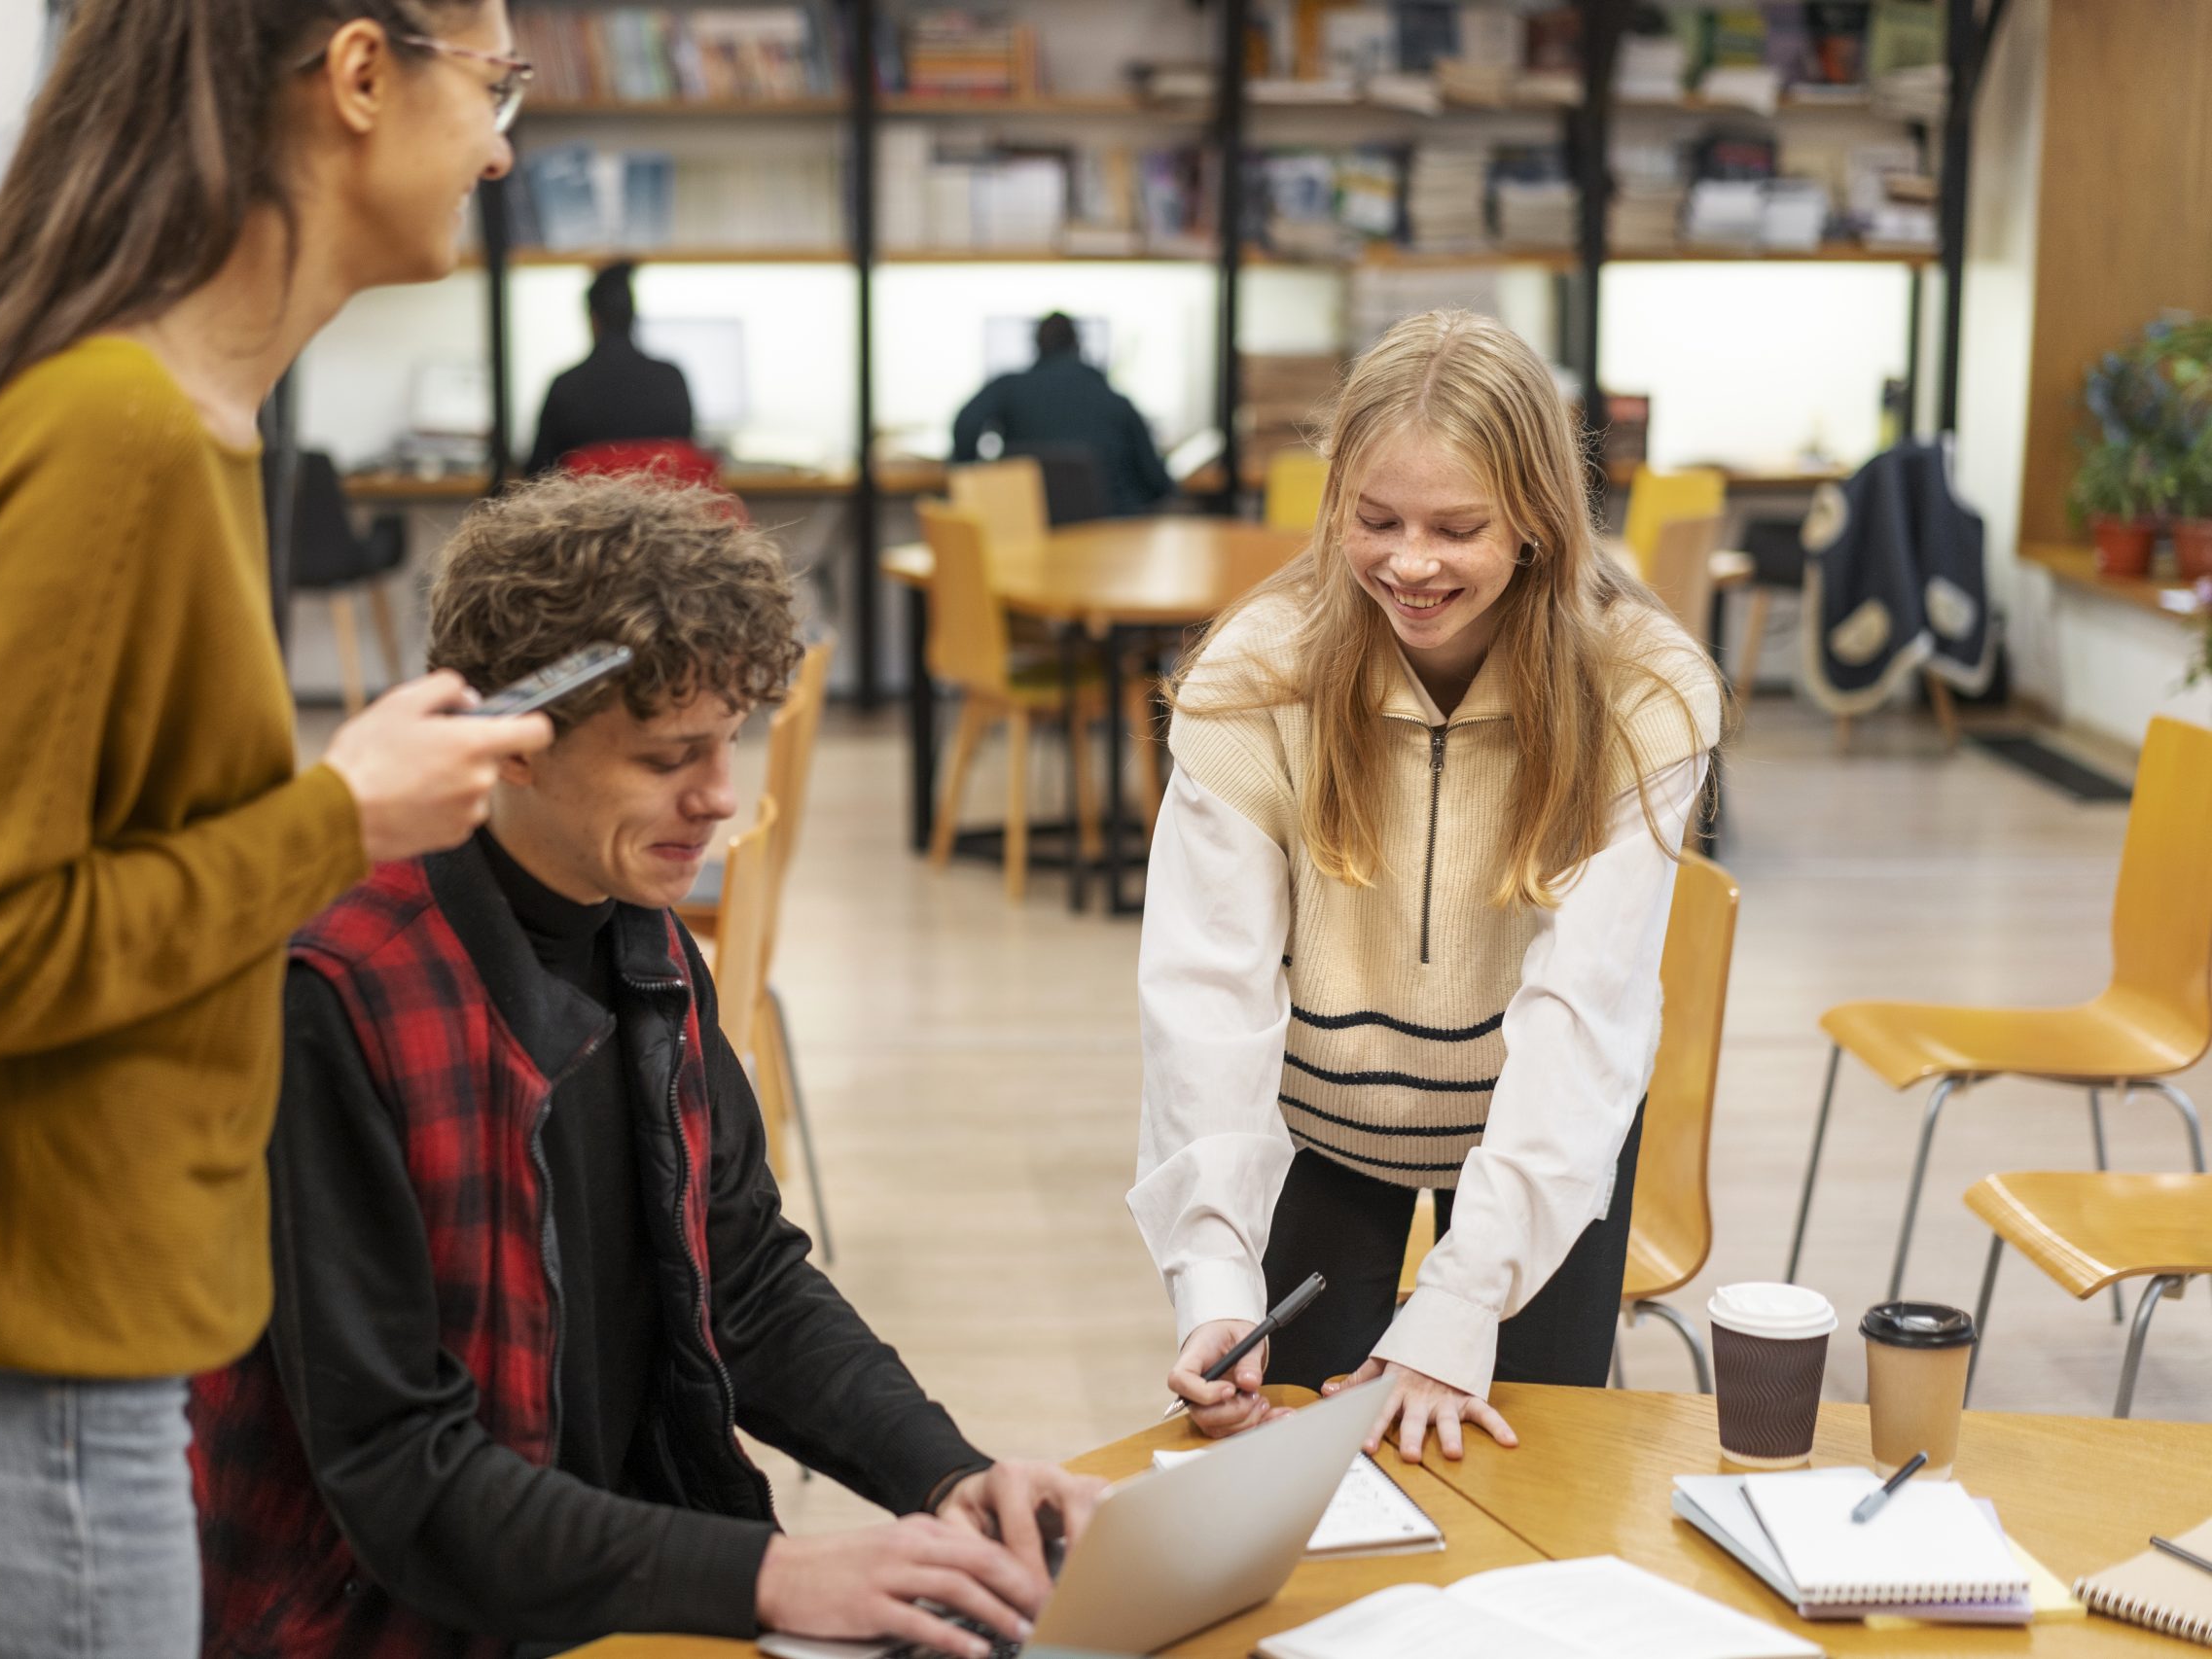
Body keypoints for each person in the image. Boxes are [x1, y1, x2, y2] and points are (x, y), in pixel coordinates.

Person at [0, 5, 553, 1654]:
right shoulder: (117, 432)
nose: (500, 146)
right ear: (358, 74)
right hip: (14, 1363)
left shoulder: (123, 399)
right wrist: (335, 819)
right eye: (494, 83)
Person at [191, 473, 1104, 1658]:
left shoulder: (639, 923)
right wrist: (773, 1575)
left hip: (605, 1571)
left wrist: (946, 1475)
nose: (720, 798)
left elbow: (746, 1278)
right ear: (512, 748)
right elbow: (400, 1474)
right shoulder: (339, 988)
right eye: (669, 756)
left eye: (727, 743)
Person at [1127, 310, 1722, 1467]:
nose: (1409, 562)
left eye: (1458, 527)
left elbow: (1581, 1014)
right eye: (1375, 520)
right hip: (1325, 1124)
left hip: (1531, 1129)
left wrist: (1460, 1304)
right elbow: (1207, 994)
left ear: (1539, 523)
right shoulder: (1254, 676)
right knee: (1288, 1462)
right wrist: (1210, 1272)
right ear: (1332, 501)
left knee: (1519, 1469)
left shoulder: (1643, 690)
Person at [949, 313, 1176, 516]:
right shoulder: (1114, 399)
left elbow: (966, 423)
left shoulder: (1008, 388)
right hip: (1110, 537)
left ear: (1035, 347)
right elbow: (1156, 480)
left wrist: (971, 475)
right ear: (1078, 345)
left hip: (1030, 530)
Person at [525, 261, 696, 475]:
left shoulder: (566, 386)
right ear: (633, 317)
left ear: (593, 319)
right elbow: (688, 468)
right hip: (659, 509)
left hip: (587, 509)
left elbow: (537, 476)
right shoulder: (672, 380)